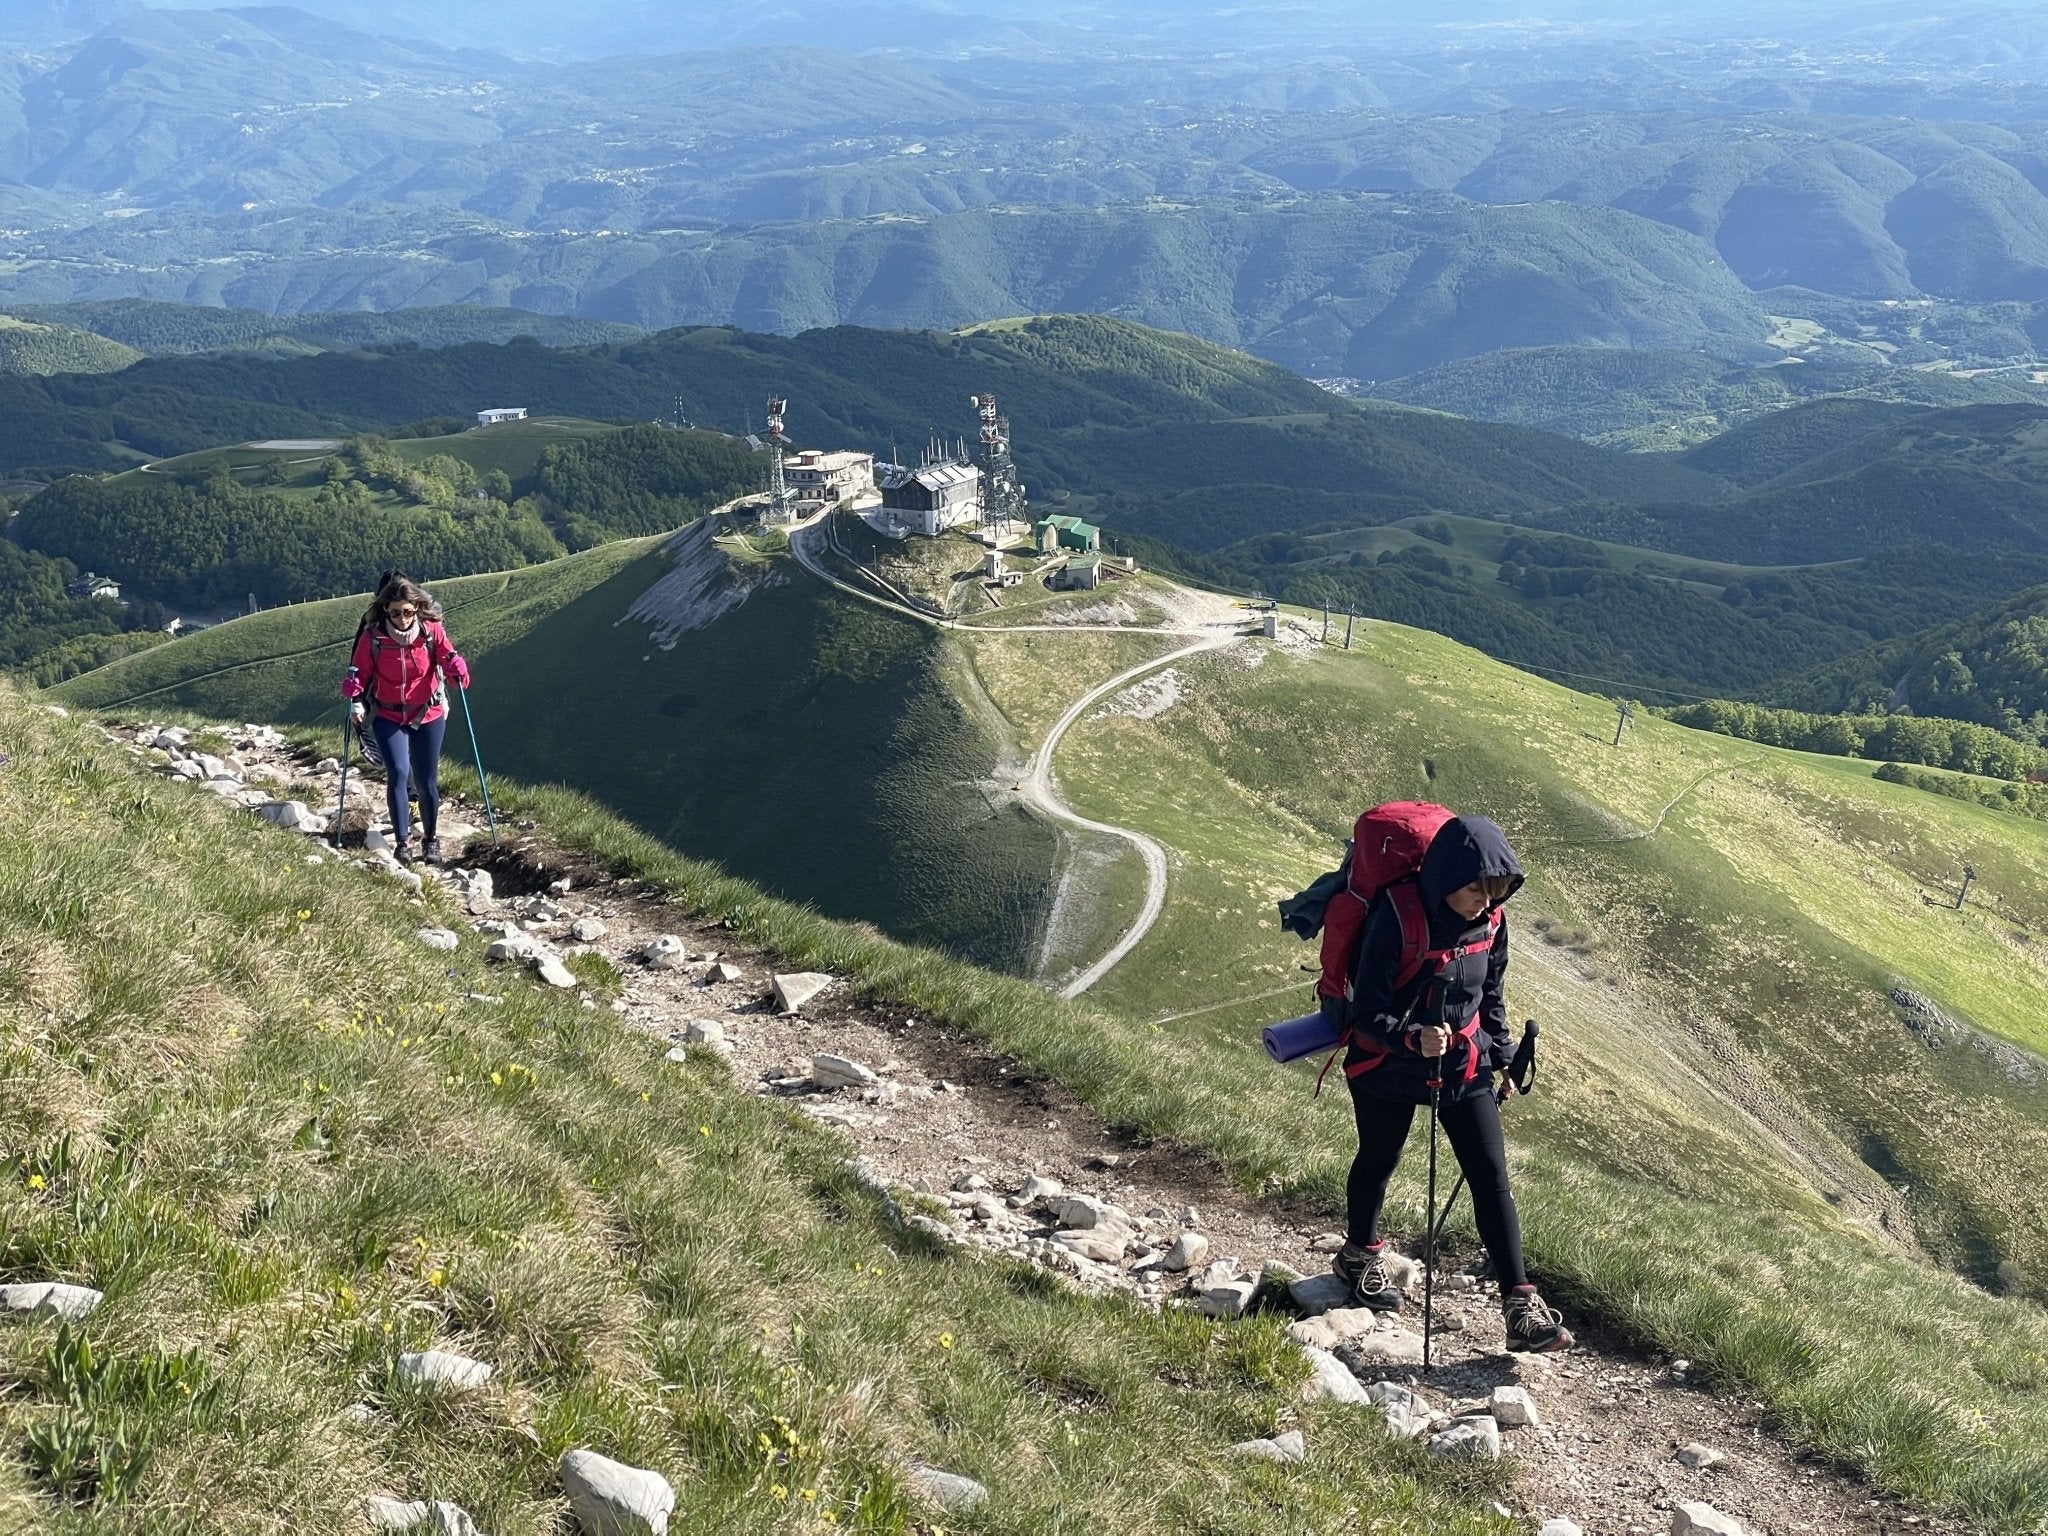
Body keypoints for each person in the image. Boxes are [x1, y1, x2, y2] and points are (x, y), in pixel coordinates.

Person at [1329, 814, 1574, 1353]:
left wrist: (1505, 1056)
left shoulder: (1492, 921)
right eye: (1475, 890)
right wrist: (1411, 1038)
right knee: (1379, 1157)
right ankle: (1358, 1256)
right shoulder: (1396, 915)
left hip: (1464, 1062)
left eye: (1497, 892)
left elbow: (1490, 998)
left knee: (1490, 1178)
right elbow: (1367, 1011)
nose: (1484, 903)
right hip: (1387, 1064)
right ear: (1445, 878)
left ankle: (1520, 1306)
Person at [339, 574, 470, 865]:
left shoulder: (432, 631)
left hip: (428, 713)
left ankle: (431, 839)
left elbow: (448, 660)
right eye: (396, 612)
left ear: (417, 608)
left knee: (427, 781)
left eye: (408, 611)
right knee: (398, 772)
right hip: (388, 714)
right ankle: (402, 843)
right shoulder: (373, 637)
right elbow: (359, 673)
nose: (402, 618)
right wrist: (354, 693)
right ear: (385, 609)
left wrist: (457, 672)